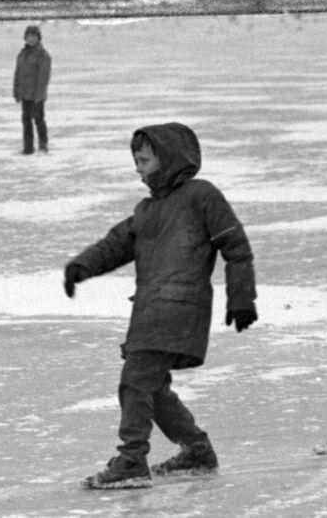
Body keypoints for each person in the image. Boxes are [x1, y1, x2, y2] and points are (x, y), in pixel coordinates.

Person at [63, 122, 257, 490]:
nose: (138, 168)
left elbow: (236, 246)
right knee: (152, 387)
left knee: (135, 381)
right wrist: (82, 266)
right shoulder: (148, 209)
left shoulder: (202, 196)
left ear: (166, 159)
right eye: (135, 160)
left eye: (144, 160)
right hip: (151, 309)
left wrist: (242, 297)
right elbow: (116, 245)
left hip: (181, 308)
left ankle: (132, 460)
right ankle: (197, 449)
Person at [12, 24, 51, 154]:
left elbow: (43, 78)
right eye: (29, 36)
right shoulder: (22, 54)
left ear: (38, 38)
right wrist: (16, 91)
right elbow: (18, 74)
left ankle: (43, 145)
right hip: (25, 94)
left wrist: (39, 96)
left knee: (39, 120)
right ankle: (28, 147)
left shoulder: (43, 55)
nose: (31, 39)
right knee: (26, 121)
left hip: (36, 95)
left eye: (34, 36)